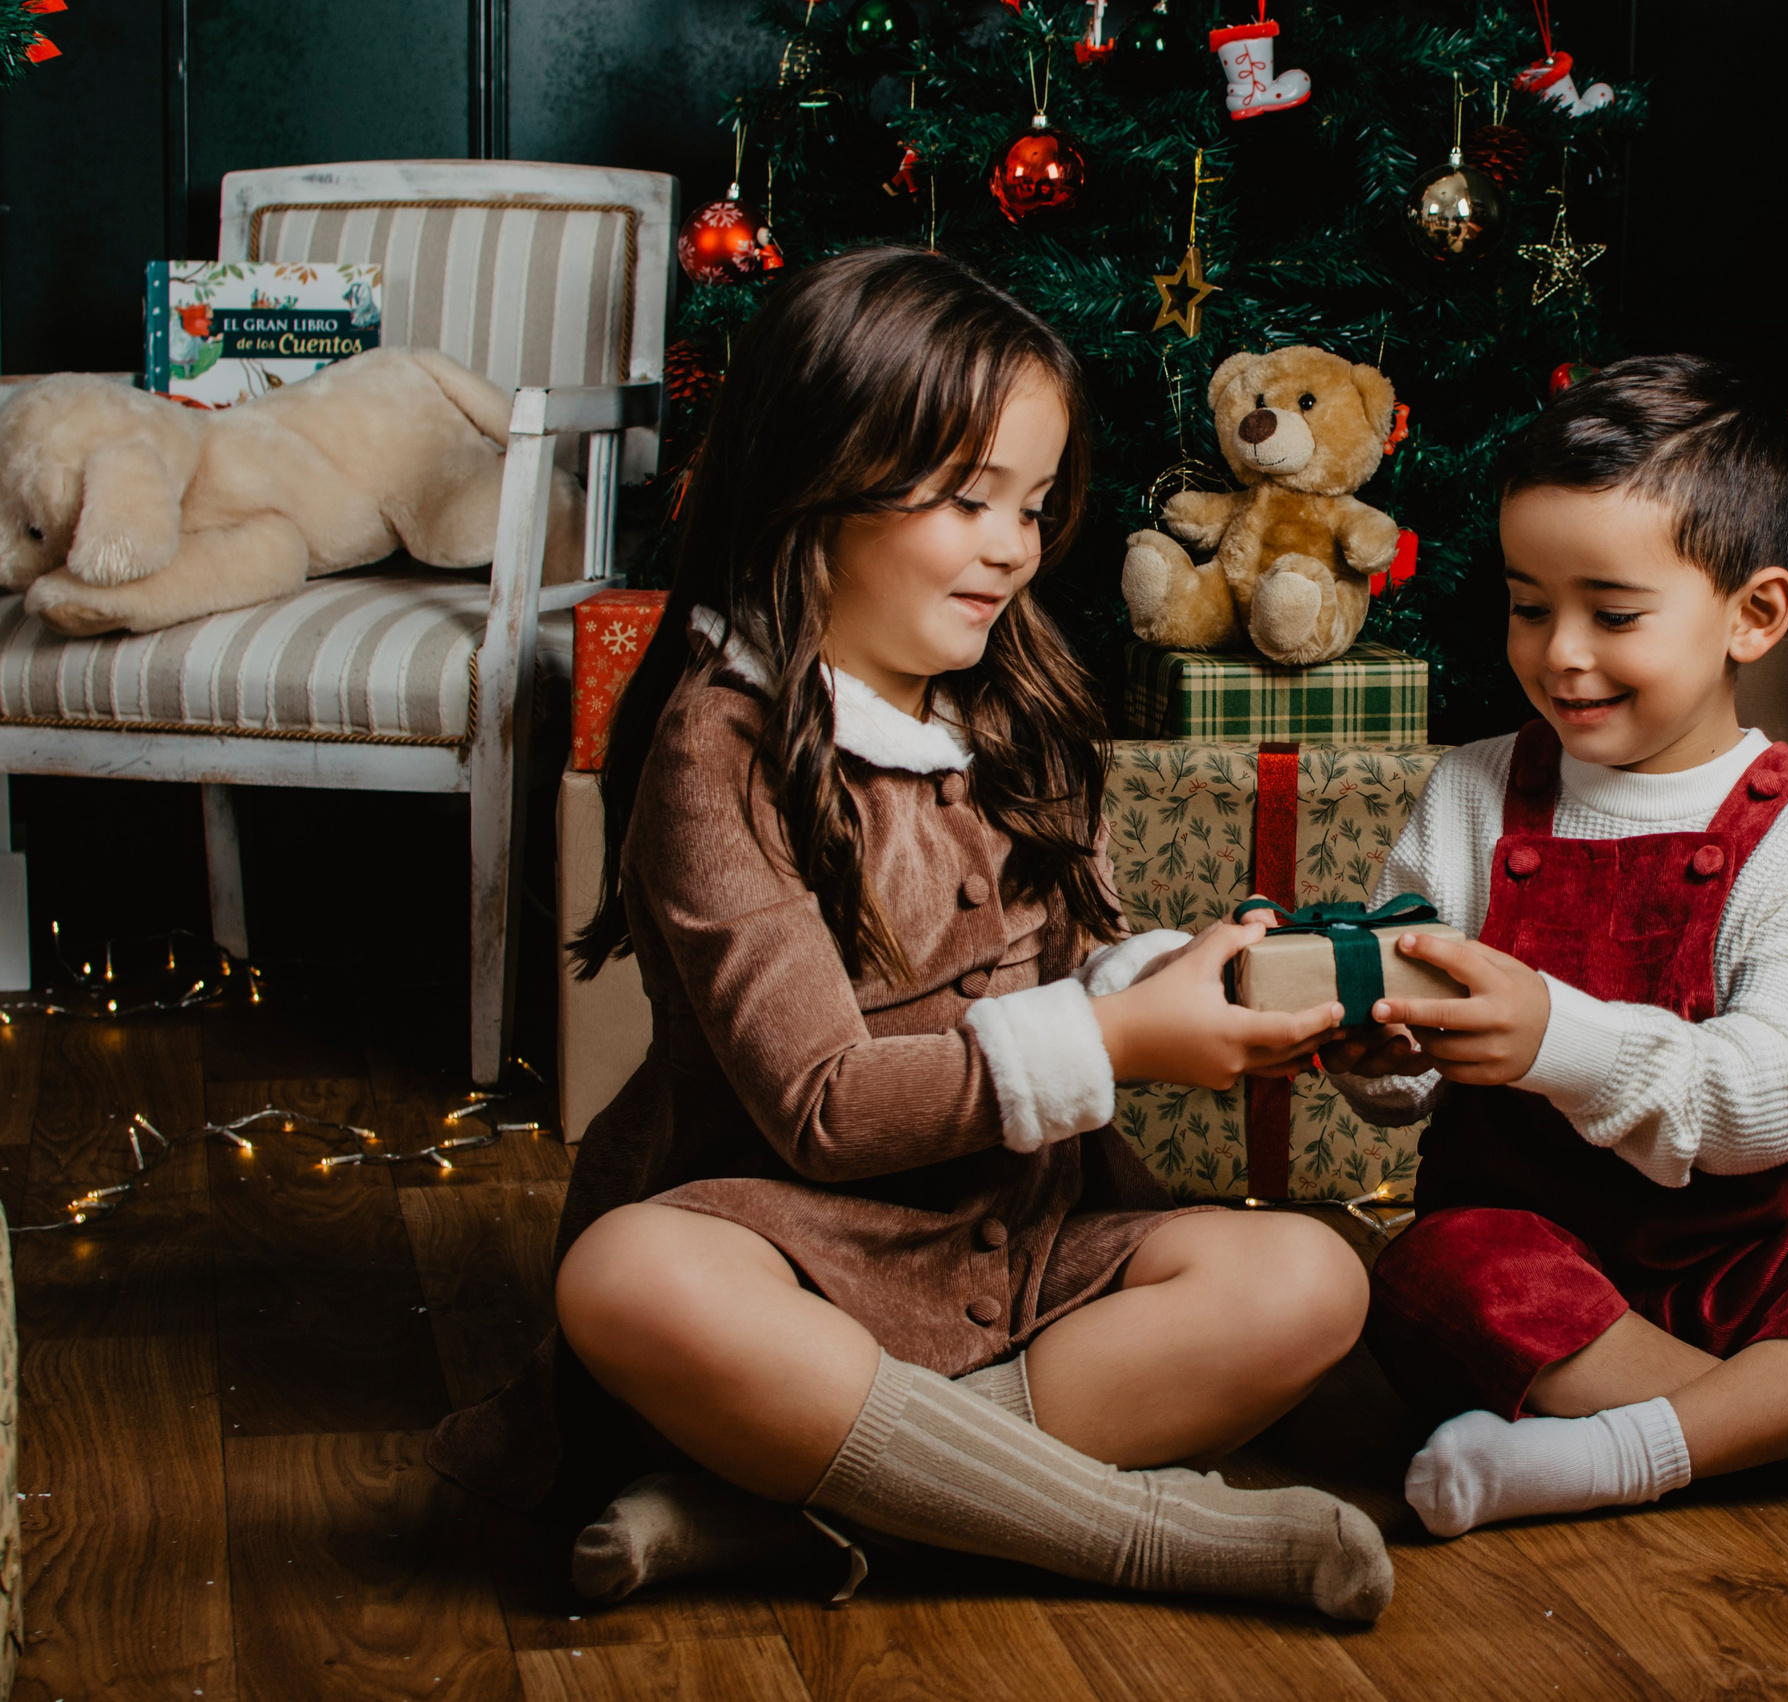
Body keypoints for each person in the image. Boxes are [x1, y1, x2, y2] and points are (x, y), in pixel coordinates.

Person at [427, 246, 1391, 1622]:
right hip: (785, 1256)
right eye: (964, 497)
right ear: (813, 482)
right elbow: (821, 1107)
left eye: (1035, 502)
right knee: (627, 1278)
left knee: (1308, 1276)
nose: (1012, 542)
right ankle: (1132, 1531)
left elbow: (1077, 956)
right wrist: (1116, 1039)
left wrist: (1181, 983)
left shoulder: (1018, 708)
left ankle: (773, 1513)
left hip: (1018, 1244)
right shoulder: (722, 747)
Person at [1320, 354, 1788, 1538]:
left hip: (1761, 1257)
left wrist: (1555, 1039)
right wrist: (1374, 1045)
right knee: (1434, 1269)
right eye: (1527, 605)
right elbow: (1407, 1087)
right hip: (1550, 1268)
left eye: (1612, 615)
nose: (1561, 652)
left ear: (1753, 615)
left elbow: (1779, 1096)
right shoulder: (1471, 791)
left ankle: (1611, 1453)